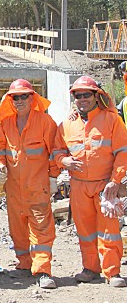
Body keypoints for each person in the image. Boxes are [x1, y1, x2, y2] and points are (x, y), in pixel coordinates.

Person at [54, 76, 127, 288]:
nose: (82, 99)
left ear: (96, 96)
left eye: (87, 94)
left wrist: (115, 181)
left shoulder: (112, 120)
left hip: (105, 185)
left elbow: (123, 153)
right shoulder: (67, 125)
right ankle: (90, 268)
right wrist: (64, 160)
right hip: (78, 186)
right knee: (85, 231)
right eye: (78, 95)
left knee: (109, 230)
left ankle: (112, 272)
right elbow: (57, 150)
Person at [0, 79, 59, 289]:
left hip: (37, 187)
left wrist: (53, 177)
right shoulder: (6, 124)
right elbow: (0, 150)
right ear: (10, 100)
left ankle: (42, 270)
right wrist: (0, 165)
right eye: (15, 97)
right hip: (14, 189)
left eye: (23, 96)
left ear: (32, 98)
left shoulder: (45, 122)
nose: (19, 100)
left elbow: (55, 151)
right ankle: (24, 264)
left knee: (41, 229)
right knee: (17, 228)